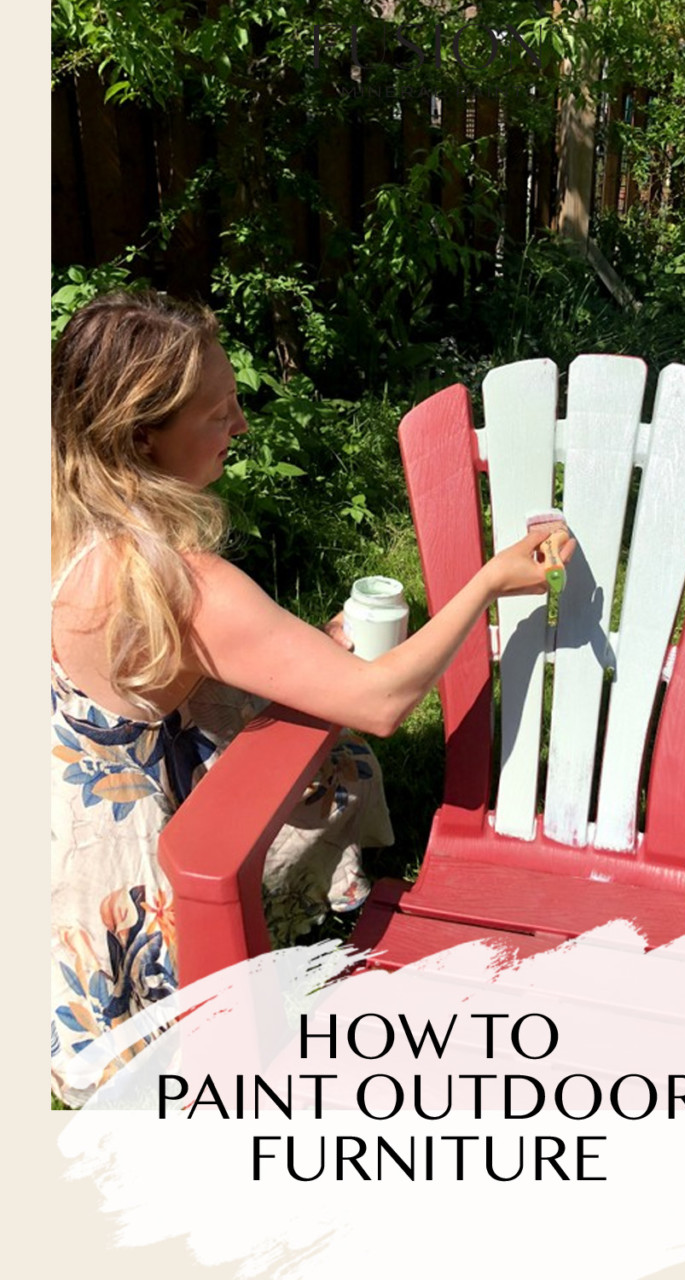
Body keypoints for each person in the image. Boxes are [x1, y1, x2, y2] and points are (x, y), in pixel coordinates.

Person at [50, 289, 573, 1105]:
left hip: (62, 839)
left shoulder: (55, 527)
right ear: (140, 434)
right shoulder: (177, 584)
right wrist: (490, 583)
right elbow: (382, 699)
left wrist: (295, 655)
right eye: (218, 414)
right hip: (143, 868)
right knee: (343, 755)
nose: (243, 427)